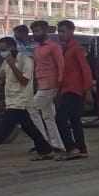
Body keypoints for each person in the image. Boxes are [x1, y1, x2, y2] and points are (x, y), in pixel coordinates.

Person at [0, 37, 54, 165]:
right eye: (0, 49)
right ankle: (45, 149)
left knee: (4, 129)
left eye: (4, 49)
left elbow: (24, 81)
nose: (2, 52)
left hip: (22, 100)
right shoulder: (5, 63)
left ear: (12, 48)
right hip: (12, 100)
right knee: (29, 127)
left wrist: (12, 64)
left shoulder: (26, 61)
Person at [55, 20, 94, 158]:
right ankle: (81, 149)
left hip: (74, 89)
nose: (60, 34)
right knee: (74, 120)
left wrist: (88, 90)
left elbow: (85, 69)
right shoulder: (63, 49)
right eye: (59, 31)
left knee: (60, 118)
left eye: (63, 31)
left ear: (71, 31)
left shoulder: (76, 48)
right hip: (67, 89)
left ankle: (71, 148)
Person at [28, 20, 65, 154]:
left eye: (38, 31)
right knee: (48, 116)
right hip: (41, 84)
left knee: (31, 109)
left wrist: (60, 84)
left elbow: (61, 65)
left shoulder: (54, 46)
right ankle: (57, 144)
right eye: (34, 31)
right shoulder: (37, 48)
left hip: (51, 84)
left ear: (46, 31)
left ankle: (44, 142)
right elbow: (37, 68)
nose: (35, 34)